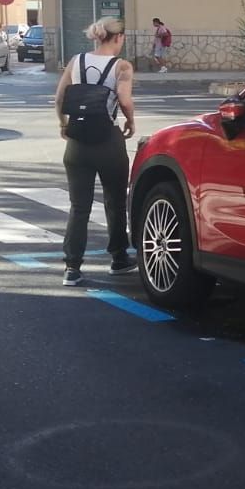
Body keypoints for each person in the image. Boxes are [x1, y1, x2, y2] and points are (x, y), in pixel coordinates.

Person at [54, 16, 137, 287]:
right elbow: (124, 99)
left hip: (77, 142)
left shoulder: (76, 61)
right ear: (118, 37)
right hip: (108, 140)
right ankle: (119, 258)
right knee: (115, 202)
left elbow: (60, 97)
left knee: (79, 207)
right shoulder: (122, 66)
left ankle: (72, 268)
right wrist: (130, 121)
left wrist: (64, 123)